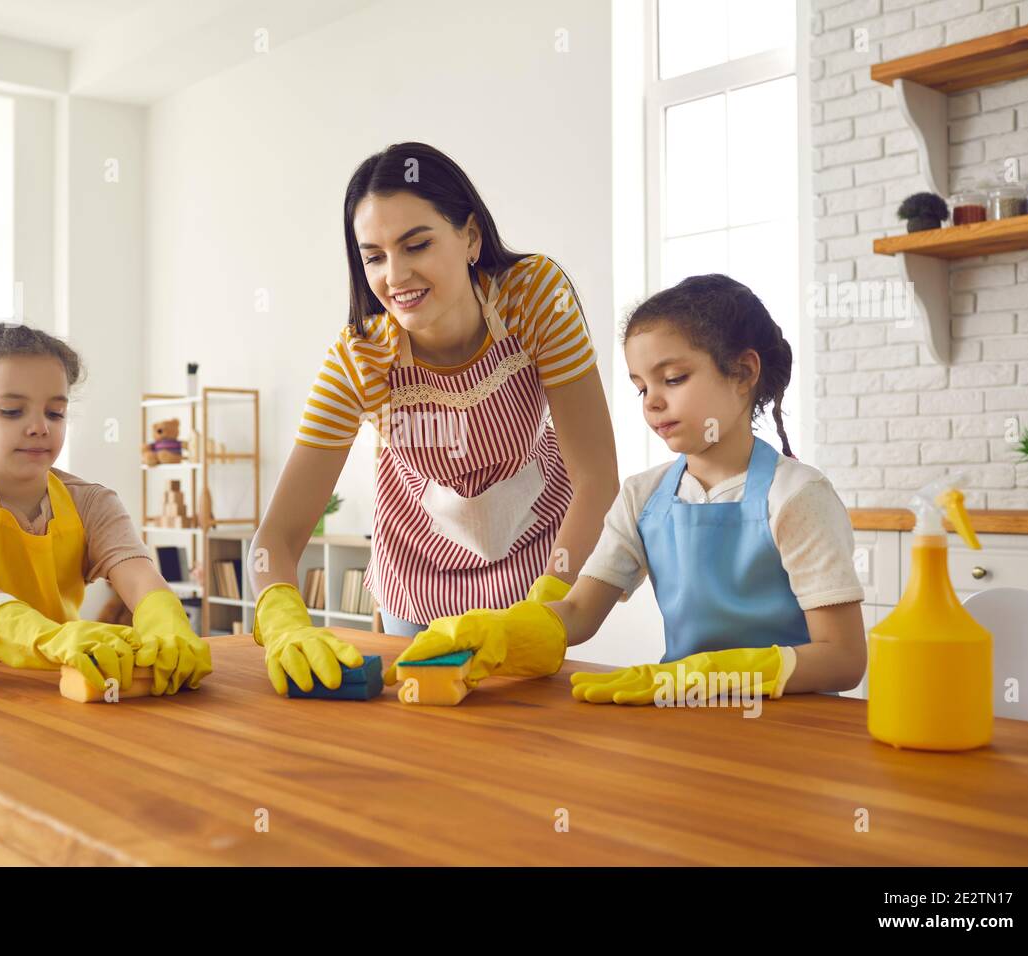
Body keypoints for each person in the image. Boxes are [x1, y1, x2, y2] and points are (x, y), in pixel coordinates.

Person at [389, 274, 867, 704]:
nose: (654, 402)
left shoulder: (798, 495)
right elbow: (579, 610)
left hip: (795, 724)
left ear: (742, 372)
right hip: (682, 716)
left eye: (673, 378)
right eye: (641, 387)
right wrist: (502, 632)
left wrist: (715, 672)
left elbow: (843, 658)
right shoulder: (644, 495)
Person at [249, 142, 618, 695]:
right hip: (418, 576)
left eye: (416, 244)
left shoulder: (537, 297)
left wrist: (546, 609)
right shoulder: (358, 358)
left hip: (538, 561)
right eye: (373, 256)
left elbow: (596, 478)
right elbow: (275, 537)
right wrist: (281, 620)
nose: (395, 275)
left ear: (470, 237)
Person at [0, 324, 212, 696]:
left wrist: (168, 624)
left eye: (55, 413)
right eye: (12, 411)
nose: (39, 427)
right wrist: (48, 638)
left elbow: (137, 576)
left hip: (49, 686)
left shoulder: (93, 503)